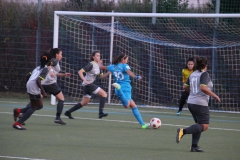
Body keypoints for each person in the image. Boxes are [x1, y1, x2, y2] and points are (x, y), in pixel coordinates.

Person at [14, 48, 71, 125]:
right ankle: (58, 118)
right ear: (57, 55)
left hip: (42, 83)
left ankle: (21, 113)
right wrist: (51, 71)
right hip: (50, 83)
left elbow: (53, 72)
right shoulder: (54, 60)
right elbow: (49, 66)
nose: (61, 56)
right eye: (61, 54)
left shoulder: (50, 61)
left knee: (36, 102)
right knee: (61, 98)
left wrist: (63, 74)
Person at [176, 56, 221, 152]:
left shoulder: (192, 74)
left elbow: (185, 87)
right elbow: (203, 88)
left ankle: (194, 146)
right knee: (204, 126)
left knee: (198, 125)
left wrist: (192, 93)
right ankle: (182, 131)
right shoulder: (204, 74)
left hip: (191, 102)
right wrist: (215, 96)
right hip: (200, 104)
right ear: (205, 65)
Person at [98, 53, 149, 129]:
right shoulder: (125, 66)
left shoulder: (112, 67)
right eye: (126, 60)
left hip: (118, 90)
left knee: (134, 106)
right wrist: (136, 76)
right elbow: (129, 72)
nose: (127, 61)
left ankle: (143, 124)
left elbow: (102, 67)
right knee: (127, 105)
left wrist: (99, 63)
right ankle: (118, 88)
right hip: (125, 88)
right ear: (122, 60)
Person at [12, 53, 52, 130]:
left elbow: (27, 75)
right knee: (34, 107)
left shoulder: (37, 68)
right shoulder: (46, 69)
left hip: (30, 85)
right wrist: (43, 92)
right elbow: (38, 80)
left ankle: (18, 111)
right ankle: (18, 123)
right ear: (49, 61)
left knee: (40, 106)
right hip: (34, 86)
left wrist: (28, 85)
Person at [64, 50, 108, 119]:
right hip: (88, 84)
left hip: (87, 85)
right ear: (93, 57)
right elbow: (80, 71)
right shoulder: (91, 64)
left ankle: (68, 112)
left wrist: (108, 73)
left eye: (99, 56)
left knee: (84, 102)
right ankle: (100, 113)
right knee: (104, 94)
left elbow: (102, 77)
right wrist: (85, 80)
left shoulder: (99, 67)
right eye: (97, 56)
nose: (98, 57)